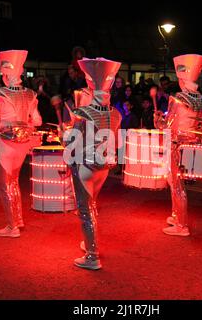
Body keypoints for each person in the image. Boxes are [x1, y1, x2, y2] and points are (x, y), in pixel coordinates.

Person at [64, 57, 122, 270]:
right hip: (104, 167)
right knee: (92, 205)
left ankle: (92, 255)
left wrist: (65, 133)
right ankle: (91, 242)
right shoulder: (116, 114)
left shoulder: (83, 113)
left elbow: (72, 141)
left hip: (85, 165)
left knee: (84, 209)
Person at [0, 50, 42, 238]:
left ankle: (12, 226)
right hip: (22, 143)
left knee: (4, 184)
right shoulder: (31, 94)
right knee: (14, 182)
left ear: (6, 75)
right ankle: (18, 219)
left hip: (4, 143)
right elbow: (38, 121)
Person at [155, 54, 202, 237]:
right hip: (192, 146)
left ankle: (181, 225)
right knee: (176, 184)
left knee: (177, 186)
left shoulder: (177, 99)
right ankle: (175, 215)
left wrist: (158, 121)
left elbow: (167, 126)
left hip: (176, 145)